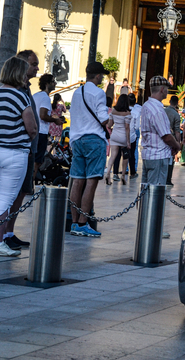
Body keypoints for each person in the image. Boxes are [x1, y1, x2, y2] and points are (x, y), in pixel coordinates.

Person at [0, 56, 38, 256]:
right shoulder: (20, 95)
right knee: (5, 199)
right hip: (14, 152)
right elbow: (31, 128)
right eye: (24, 72)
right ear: (17, 73)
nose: (26, 77)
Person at [4, 50, 40, 251]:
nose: (37, 68)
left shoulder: (26, 87)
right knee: (13, 192)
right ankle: (3, 233)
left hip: (27, 149)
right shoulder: (16, 89)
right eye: (33, 64)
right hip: (20, 148)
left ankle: (9, 231)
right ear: (22, 64)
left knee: (22, 192)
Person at [69, 62, 111, 238]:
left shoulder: (77, 92)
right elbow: (104, 119)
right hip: (93, 139)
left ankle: (73, 222)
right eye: (101, 75)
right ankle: (83, 222)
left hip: (76, 139)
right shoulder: (99, 93)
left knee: (77, 181)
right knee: (91, 182)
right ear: (98, 76)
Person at [141, 75, 180, 185]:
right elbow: (166, 136)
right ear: (162, 89)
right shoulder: (157, 110)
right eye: (167, 89)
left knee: (146, 191)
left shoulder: (146, 105)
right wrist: (177, 145)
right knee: (155, 192)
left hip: (148, 154)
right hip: (158, 155)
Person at [33, 74, 64, 179]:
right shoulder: (45, 98)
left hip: (32, 130)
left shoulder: (36, 95)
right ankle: (30, 184)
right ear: (47, 84)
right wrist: (55, 120)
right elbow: (43, 116)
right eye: (53, 81)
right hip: (41, 132)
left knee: (31, 159)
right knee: (37, 161)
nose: (55, 83)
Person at [104, 94, 132, 185]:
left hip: (114, 135)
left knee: (113, 156)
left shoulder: (113, 111)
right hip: (123, 136)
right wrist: (128, 142)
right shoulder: (128, 113)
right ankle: (123, 175)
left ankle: (108, 173)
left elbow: (109, 125)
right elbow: (127, 128)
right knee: (125, 156)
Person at [164, 96, 181, 184]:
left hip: (162, 138)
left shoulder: (163, 111)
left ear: (169, 101)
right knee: (170, 160)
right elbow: (177, 131)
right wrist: (178, 143)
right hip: (171, 139)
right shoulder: (176, 115)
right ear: (177, 103)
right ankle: (168, 179)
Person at [128, 93, 141, 177]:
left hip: (122, 133)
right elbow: (137, 126)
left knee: (121, 153)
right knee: (133, 151)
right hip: (133, 132)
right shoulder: (139, 109)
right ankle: (133, 169)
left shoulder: (123, 110)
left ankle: (123, 169)